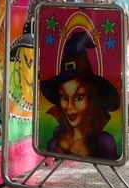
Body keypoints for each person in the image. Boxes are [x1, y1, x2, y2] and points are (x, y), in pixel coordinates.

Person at [40, 29, 120, 160]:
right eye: (63, 97)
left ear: (91, 97)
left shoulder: (104, 143)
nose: (69, 106)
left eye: (79, 97)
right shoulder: (55, 143)